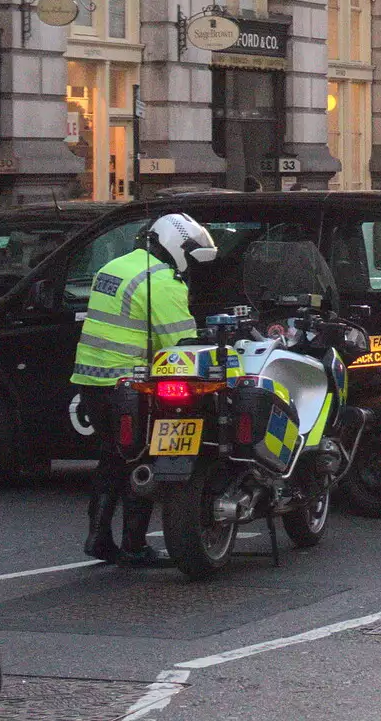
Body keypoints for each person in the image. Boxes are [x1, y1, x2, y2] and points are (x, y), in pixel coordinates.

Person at [72, 212, 217, 566]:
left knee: (112, 458)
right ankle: (134, 546)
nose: (189, 268)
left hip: (91, 381)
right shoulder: (162, 281)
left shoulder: (114, 267)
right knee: (145, 461)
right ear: (179, 245)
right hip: (130, 385)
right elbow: (181, 344)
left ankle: (98, 537)